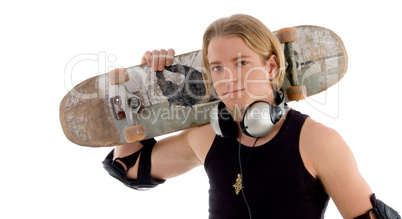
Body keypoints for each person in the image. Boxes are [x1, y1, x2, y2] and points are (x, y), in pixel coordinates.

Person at [103, 14, 399, 219]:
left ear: (271, 67)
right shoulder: (208, 136)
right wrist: (141, 85)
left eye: (242, 63)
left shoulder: (317, 142)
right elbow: (129, 167)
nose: (228, 78)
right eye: (217, 67)